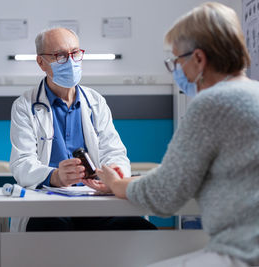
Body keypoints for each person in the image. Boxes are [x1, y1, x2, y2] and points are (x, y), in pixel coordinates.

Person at [84, 2, 259, 266]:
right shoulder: (252, 93)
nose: (177, 71)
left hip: (241, 253)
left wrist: (117, 184)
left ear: (199, 59)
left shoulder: (211, 103)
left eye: (177, 61)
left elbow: (165, 195)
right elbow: (184, 175)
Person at [9, 27, 156, 232]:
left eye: (75, 53)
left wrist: (112, 179)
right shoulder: (25, 105)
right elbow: (22, 163)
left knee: (141, 230)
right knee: (55, 231)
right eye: (60, 55)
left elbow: (114, 152)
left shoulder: (95, 101)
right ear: (41, 62)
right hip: (47, 203)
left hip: (93, 200)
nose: (70, 61)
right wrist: (55, 176)